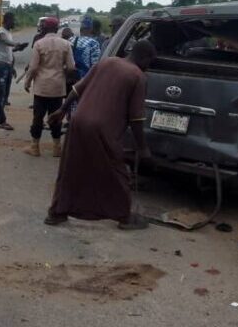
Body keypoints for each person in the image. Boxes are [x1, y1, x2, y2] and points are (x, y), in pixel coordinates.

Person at [43, 40, 157, 230]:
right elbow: (137, 119)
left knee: (71, 168)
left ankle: (56, 213)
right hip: (103, 129)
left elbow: (77, 88)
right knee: (116, 171)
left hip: (78, 121)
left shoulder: (106, 62)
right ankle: (124, 217)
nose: (149, 66)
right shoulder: (138, 76)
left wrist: (62, 110)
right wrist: (143, 148)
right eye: (150, 62)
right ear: (144, 58)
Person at [23, 17, 75, 157]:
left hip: (42, 87)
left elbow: (33, 67)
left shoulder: (39, 44)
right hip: (58, 87)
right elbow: (71, 67)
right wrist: (62, 72)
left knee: (38, 117)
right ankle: (57, 148)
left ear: (44, 28)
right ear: (57, 29)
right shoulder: (66, 44)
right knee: (56, 118)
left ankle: (35, 147)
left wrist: (27, 82)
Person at [0, 12, 28, 130]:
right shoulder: (1, 32)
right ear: (7, 20)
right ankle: (2, 121)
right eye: (13, 20)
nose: (14, 22)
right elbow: (5, 41)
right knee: (1, 95)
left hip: (6, 66)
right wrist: (15, 44)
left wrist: (17, 49)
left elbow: (8, 51)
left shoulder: (8, 32)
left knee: (4, 95)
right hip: (0, 66)